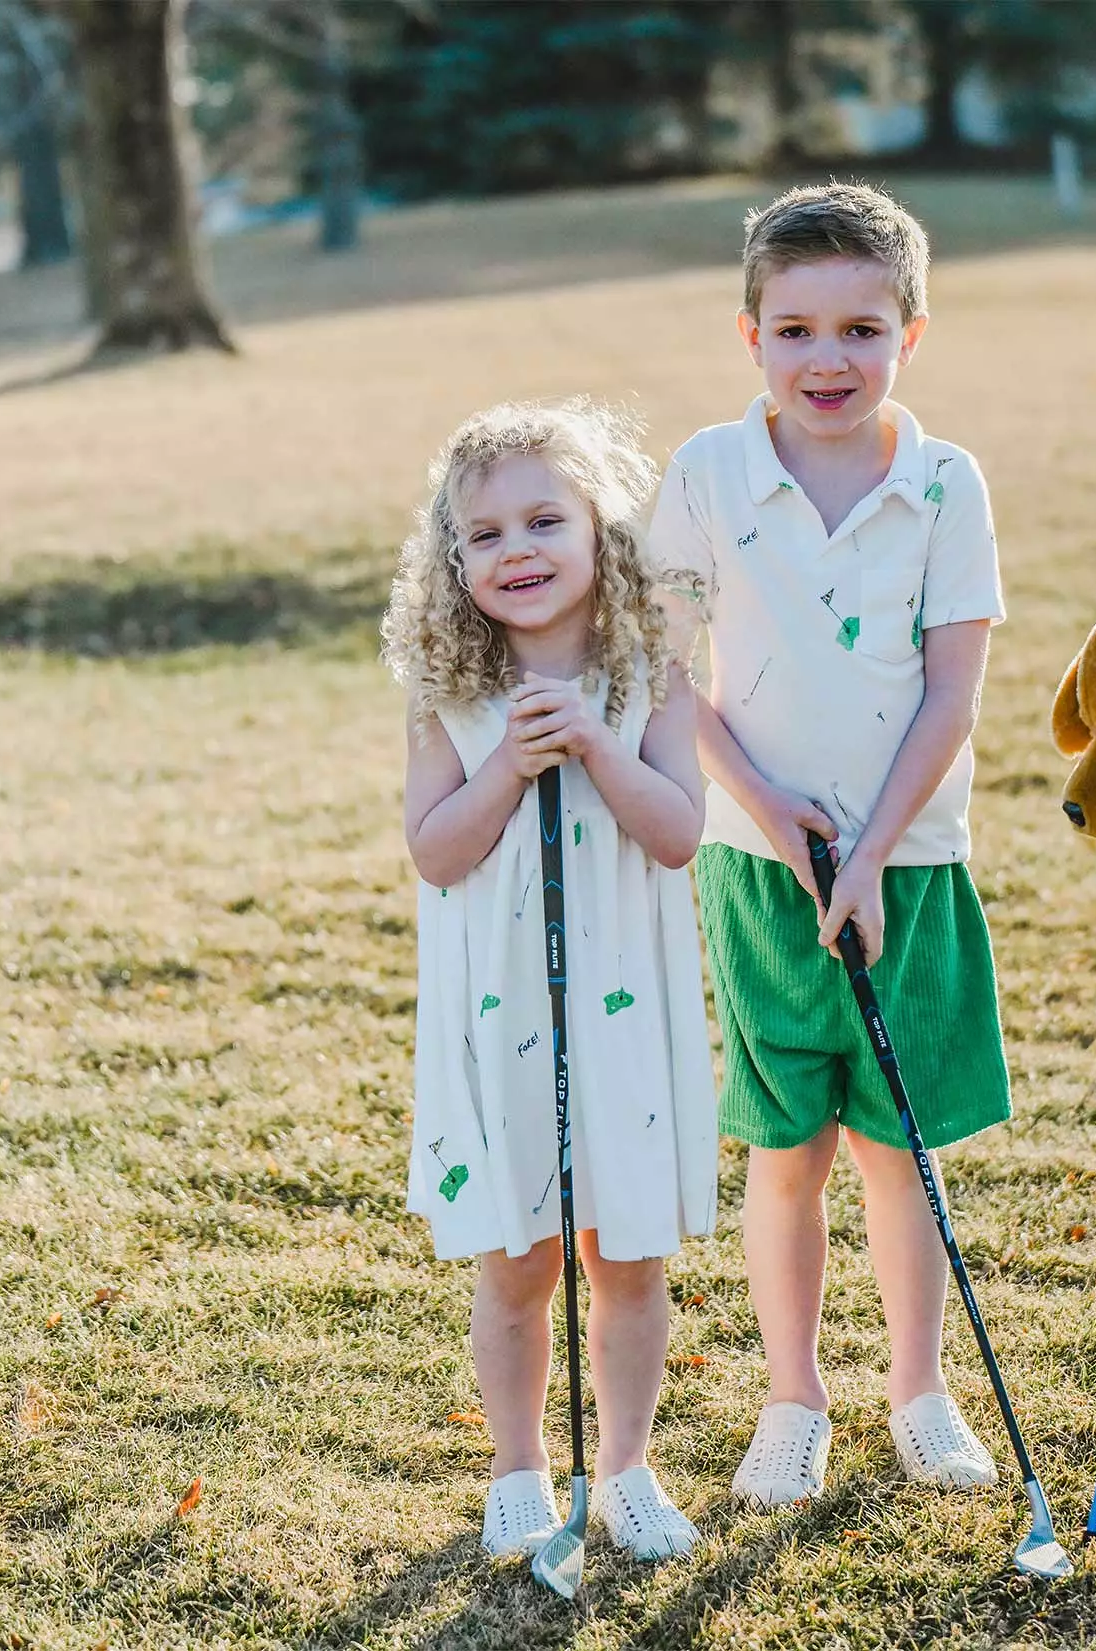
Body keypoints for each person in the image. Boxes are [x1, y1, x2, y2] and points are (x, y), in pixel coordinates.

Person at [648, 182, 1012, 1508]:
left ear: (909, 333)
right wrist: (763, 804)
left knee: (896, 1146)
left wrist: (863, 859)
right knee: (787, 1146)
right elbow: (660, 661)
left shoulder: (943, 481)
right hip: (757, 871)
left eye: (860, 328)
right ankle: (790, 1394)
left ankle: (918, 1388)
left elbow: (951, 693)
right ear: (748, 334)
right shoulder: (705, 473)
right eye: (794, 329)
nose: (827, 359)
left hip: (909, 866)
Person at [382, 400, 717, 1563]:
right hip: (501, 1008)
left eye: (542, 520)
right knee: (517, 1259)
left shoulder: (650, 673)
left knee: (626, 1254)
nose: (515, 551)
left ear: (599, 532)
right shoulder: (447, 688)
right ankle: (518, 1466)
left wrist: (592, 742)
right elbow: (434, 851)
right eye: (483, 535)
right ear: (452, 559)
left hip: (623, 1007)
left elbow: (676, 833)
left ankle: (625, 1465)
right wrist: (512, 764)